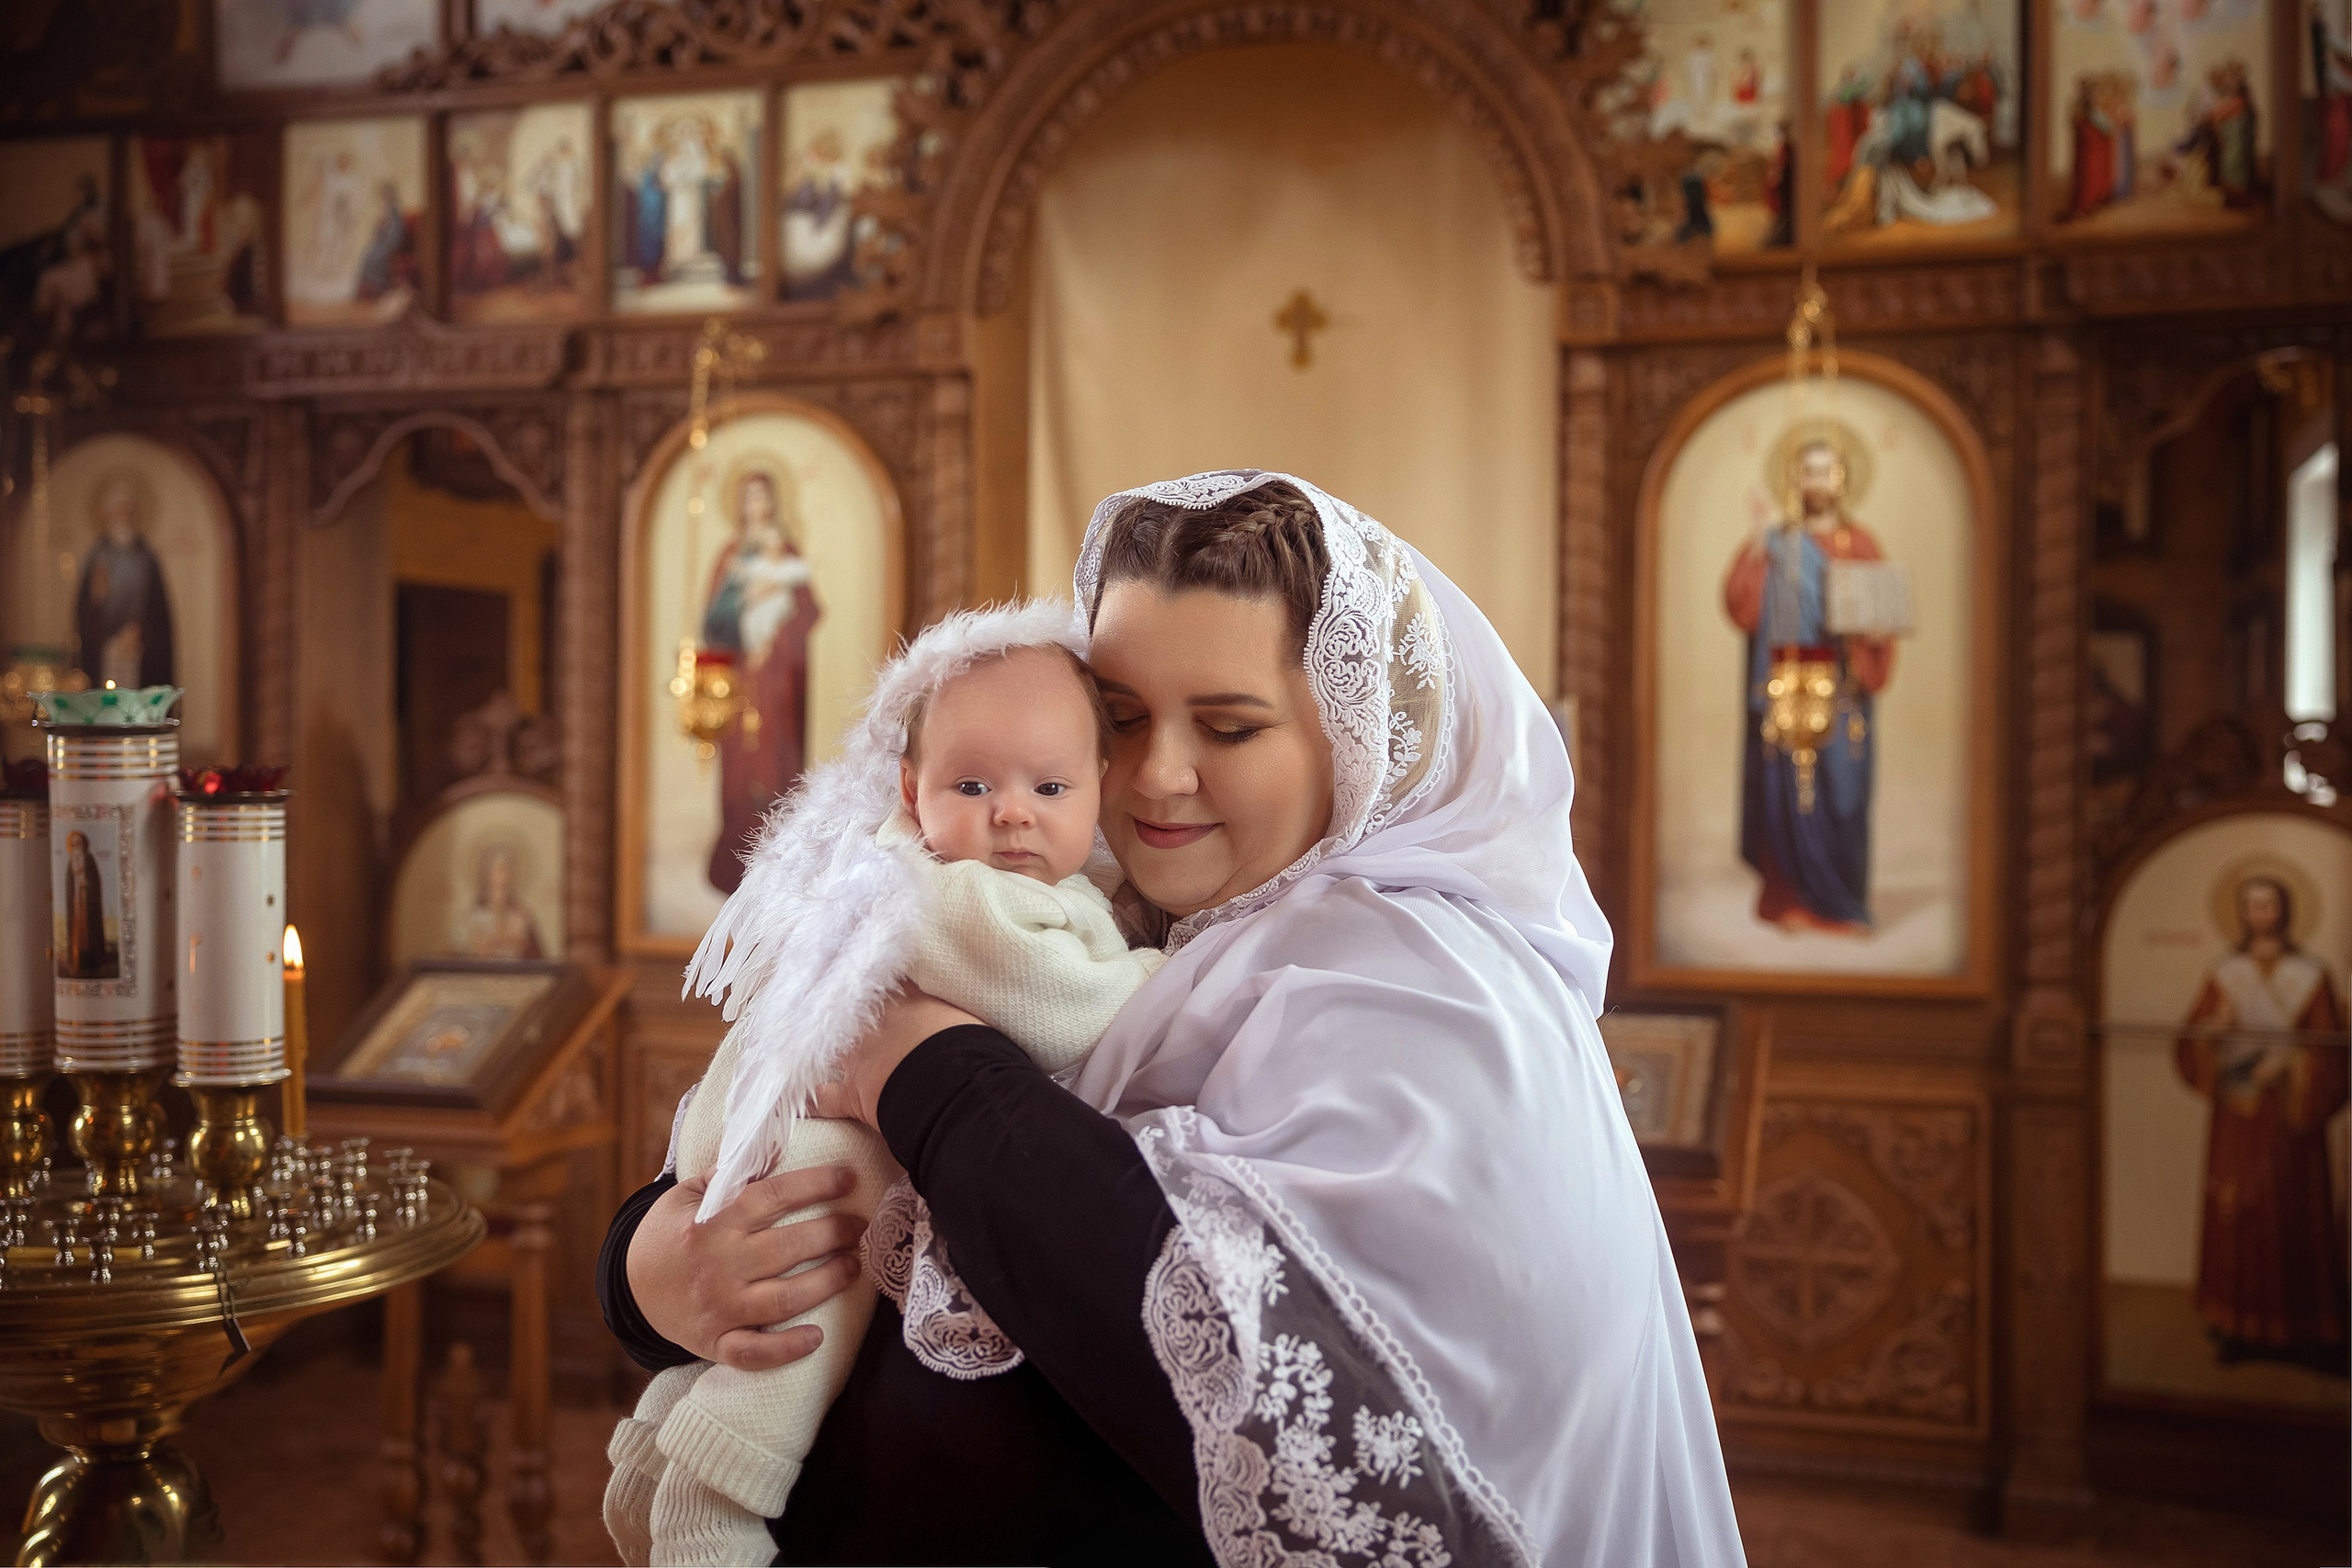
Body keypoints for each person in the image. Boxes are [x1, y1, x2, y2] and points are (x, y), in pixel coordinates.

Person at [601, 470, 1744, 1565]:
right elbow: (795, 1134)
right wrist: (650, 1272)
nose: (1156, 778)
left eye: (1230, 726)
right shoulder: (1122, 906)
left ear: (1353, 740)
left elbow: (1233, 1381)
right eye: (1124, 717)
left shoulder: (1432, 993)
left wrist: (924, 1061)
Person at [606, 603, 1163, 1566]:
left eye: (1050, 784)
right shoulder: (956, 893)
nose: (1012, 811)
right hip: (822, 1150)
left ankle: (662, 1453)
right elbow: (1060, 1007)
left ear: (1100, 788)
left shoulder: (987, 879)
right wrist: (1154, 979)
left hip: (780, 1127)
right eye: (973, 783)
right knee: (795, 1332)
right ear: (912, 792)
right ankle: (711, 1508)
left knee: (752, 1332)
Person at [2173, 874, 2349, 1373]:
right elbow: (2189, 1044)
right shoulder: (2224, 972)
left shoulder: (2312, 974)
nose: (2262, 914)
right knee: (2238, 1212)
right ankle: (2236, 1327)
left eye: (2270, 905)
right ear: (2241, 912)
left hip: (2291, 1120)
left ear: (2286, 911)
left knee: (2291, 1211)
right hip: (2238, 1112)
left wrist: (2292, 1065)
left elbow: (2333, 1054)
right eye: (2253, 906)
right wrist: (2213, 1031)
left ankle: (2305, 1329)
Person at [1721, 437, 1895, 934]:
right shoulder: (1777, 542)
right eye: (1808, 472)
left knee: (1841, 792)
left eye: (1826, 472)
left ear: (1841, 479)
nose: (1816, 482)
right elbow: (1743, 606)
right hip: (1785, 685)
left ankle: (1841, 903)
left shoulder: (1860, 546)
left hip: (1842, 689)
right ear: (1795, 480)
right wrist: (1758, 541)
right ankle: (1791, 900)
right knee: (1786, 791)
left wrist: (1876, 633)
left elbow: (1881, 616)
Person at [700, 468, 820, 895]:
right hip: (739, 676)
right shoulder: (730, 556)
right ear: (740, 505)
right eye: (748, 498)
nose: (756, 505)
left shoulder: (786, 551)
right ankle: (733, 859)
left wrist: (777, 637)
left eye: (762, 497)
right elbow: (712, 625)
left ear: (773, 502)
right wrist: (743, 613)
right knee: (739, 768)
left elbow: (809, 612)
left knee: (773, 763)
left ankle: (776, 864)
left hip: (777, 680)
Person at [75, 469, 175, 692]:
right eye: (118, 511)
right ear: (108, 514)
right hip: (105, 648)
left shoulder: (147, 557)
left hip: (139, 647)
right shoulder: (97, 556)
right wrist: (97, 598)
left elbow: (157, 611)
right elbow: (86, 611)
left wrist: (139, 632)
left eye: (128, 511)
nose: (123, 516)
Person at [457, 842, 545, 961]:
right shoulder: (471, 916)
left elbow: (536, 957)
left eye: (509, 869)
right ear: (486, 873)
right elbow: (460, 955)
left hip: (515, 976)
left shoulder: (522, 915)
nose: (504, 874)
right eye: (499, 869)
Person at [60, 829, 113, 979]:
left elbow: (95, 880)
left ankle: (94, 960)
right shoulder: (71, 860)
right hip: (76, 901)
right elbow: (69, 883)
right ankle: (77, 960)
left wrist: (87, 885)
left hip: (88, 901)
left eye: (78, 843)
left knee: (90, 931)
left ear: (83, 844)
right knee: (77, 931)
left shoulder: (88, 858)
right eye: (73, 843)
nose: (76, 845)